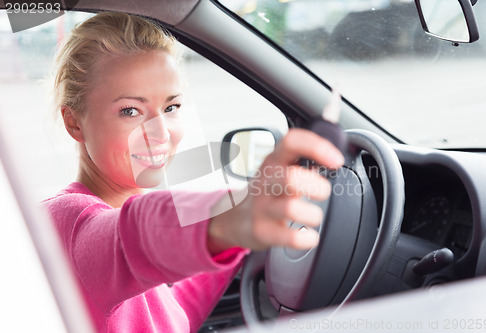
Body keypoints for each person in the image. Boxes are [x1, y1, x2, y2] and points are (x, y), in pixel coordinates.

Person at [42, 12, 344, 332]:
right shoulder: (69, 223)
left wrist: (237, 238)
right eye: (130, 111)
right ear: (74, 122)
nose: (160, 132)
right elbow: (136, 232)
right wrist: (234, 214)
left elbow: (170, 316)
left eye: (170, 108)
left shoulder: (111, 244)